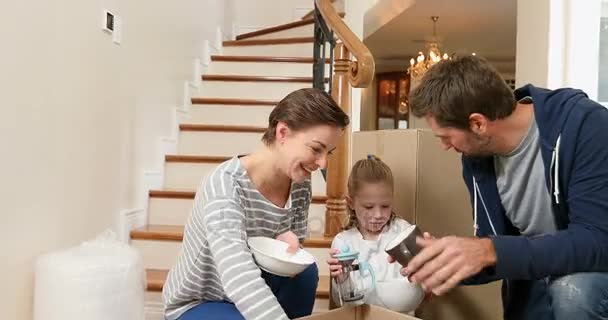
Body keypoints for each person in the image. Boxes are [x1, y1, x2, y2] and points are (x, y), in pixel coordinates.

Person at [401, 55, 608, 320]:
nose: (445, 146)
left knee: (574, 292)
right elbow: (501, 254)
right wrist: (444, 259)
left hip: (592, 276)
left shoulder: (586, 125)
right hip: (539, 284)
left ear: (477, 123)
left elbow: (597, 240)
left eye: (446, 136)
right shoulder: (477, 161)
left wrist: (489, 249)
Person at [162, 88, 350, 320]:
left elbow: (291, 248)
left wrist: (289, 238)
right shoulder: (224, 184)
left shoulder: (299, 182)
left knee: (305, 273)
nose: (322, 163)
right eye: (316, 149)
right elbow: (238, 274)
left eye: (328, 153)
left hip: (254, 281)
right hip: (200, 300)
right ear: (282, 132)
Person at [327, 155, 424, 313]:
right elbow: (342, 302)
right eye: (369, 207)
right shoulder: (344, 243)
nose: (378, 214)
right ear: (351, 203)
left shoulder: (402, 232)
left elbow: (420, 283)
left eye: (385, 206)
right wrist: (342, 279)